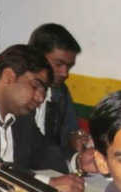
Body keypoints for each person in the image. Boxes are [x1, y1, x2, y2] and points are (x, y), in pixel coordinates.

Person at [0, 44, 96, 192]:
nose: (40, 98)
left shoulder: (22, 118)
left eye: (43, 91)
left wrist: (78, 161)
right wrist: (46, 184)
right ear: (9, 77)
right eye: (35, 86)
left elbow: (43, 150)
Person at [28, 23, 84, 153]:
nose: (65, 73)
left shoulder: (60, 93)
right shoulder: (17, 93)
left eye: (69, 66)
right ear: (36, 57)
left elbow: (69, 134)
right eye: (58, 64)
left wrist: (74, 141)